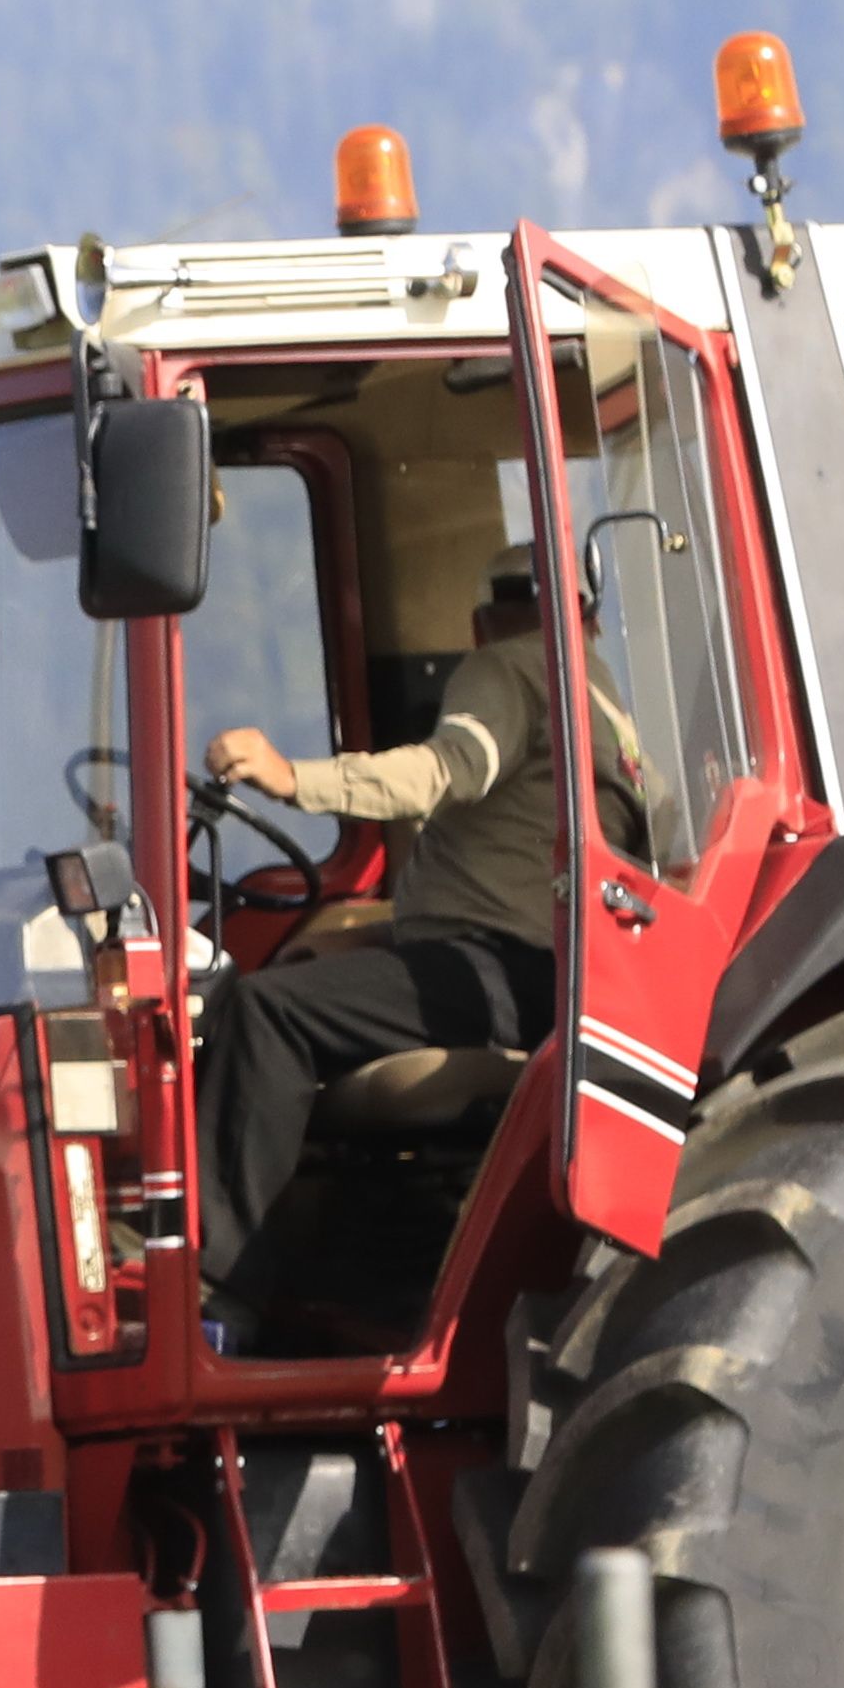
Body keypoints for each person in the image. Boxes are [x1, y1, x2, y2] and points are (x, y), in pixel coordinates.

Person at [186, 546, 603, 1309]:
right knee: (291, 993)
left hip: (494, 973)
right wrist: (368, 939)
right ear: (593, 620)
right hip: (547, 982)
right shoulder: (603, 704)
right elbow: (506, 877)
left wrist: (290, 777)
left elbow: (446, 772)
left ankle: (218, 1298)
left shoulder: (510, 668)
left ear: (484, 619)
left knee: (262, 1010)